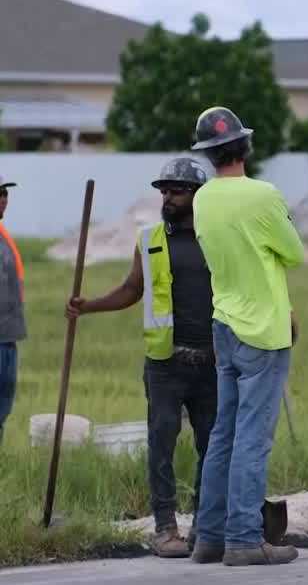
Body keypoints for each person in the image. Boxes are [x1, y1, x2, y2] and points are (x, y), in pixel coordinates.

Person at [65, 158, 214, 557]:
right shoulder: (150, 239)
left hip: (213, 361)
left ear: (198, 195)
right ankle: (165, 529)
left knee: (212, 447)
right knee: (161, 443)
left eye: (176, 190)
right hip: (165, 364)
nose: (167, 197)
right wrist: (89, 305)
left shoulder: (218, 237)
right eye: (163, 190)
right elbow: (132, 289)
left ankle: (205, 526)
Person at [187, 106, 304, 567]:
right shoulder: (263, 194)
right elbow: (293, 252)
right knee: (253, 439)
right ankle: (243, 539)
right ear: (245, 146)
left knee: (224, 434)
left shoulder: (202, 199)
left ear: (208, 154)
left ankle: (210, 537)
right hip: (263, 329)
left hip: (224, 323)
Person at [0, 175, 26, 447]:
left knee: (1, 411)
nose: (3, 199)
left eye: (5, 193)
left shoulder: (4, 236)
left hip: (7, 339)